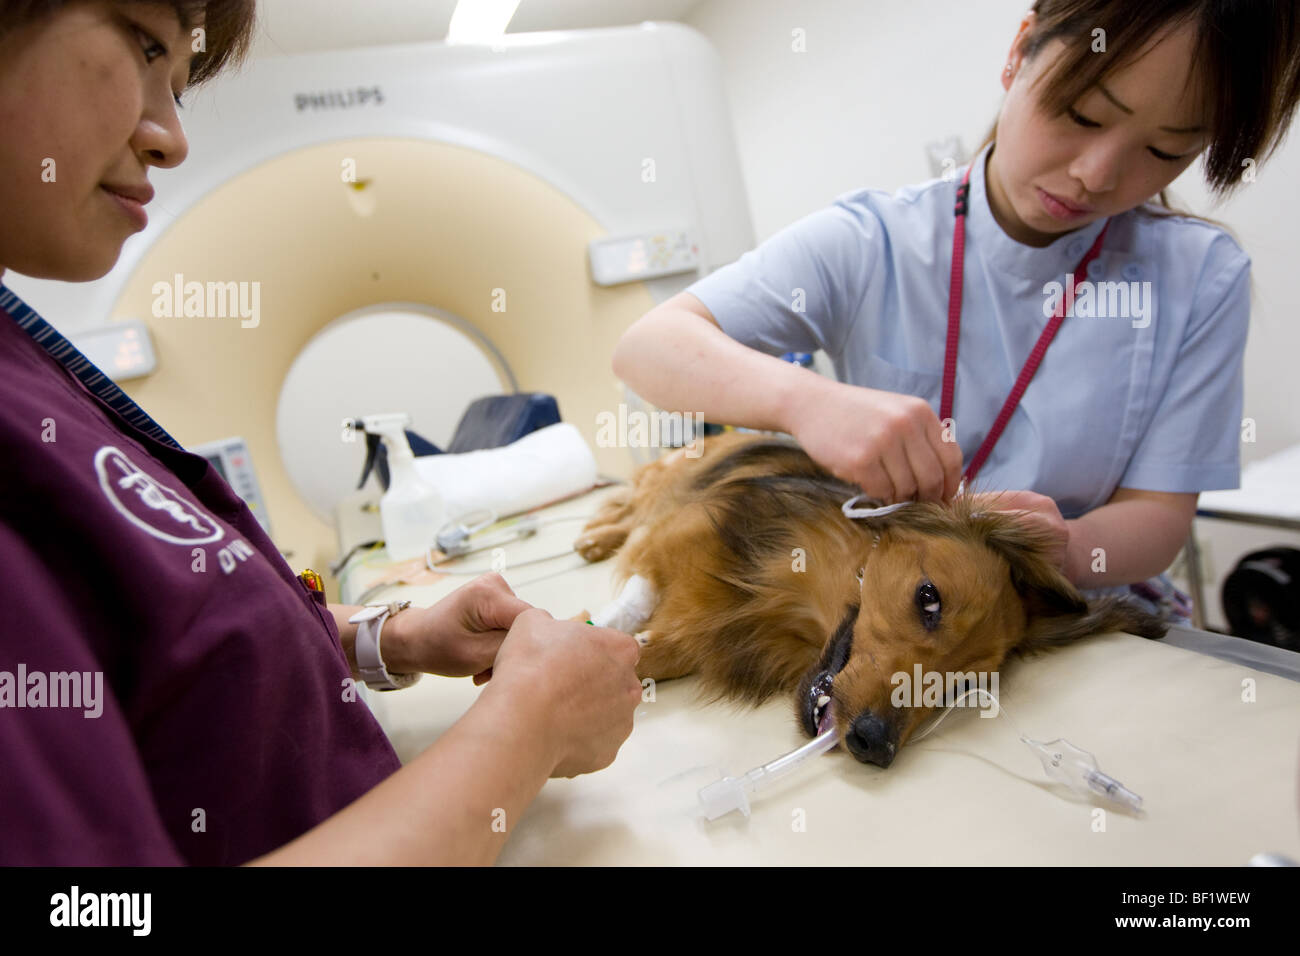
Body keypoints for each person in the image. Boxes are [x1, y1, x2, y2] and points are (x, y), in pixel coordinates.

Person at [0, 0, 641, 866]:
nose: (172, 140)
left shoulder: (26, 364)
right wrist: (531, 726)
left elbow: (148, 646)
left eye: (180, 87)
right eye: (146, 44)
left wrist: (382, 638)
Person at [613, 0, 1300, 625]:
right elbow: (649, 349)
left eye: (1164, 151)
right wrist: (808, 403)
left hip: (1075, 615)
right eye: (1083, 114)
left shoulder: (1199, 278)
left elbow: (1159, 517)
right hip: (898, 617)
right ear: (1020, 50)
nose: (1098, 172)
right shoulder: (872, 242)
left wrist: (1067, 547)